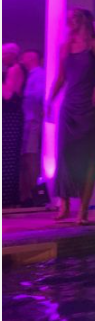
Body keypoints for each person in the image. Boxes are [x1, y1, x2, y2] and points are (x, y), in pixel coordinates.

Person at [48, 8, 95, 224]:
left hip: (91, 107)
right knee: (65, 157)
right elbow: (61, 77)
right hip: (69, 108)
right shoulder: (66, 47)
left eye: (75, 16)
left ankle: (83, 211)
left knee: (89, 158)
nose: (71, 20)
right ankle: (65, 205)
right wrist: (50, 100)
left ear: (86, 19)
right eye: (69, 18)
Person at [19, 50, 45, 205]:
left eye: (24, 56)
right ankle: (26, 195)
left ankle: (35, 196)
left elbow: (39, 97)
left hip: (32, 123)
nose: (21, 59)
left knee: (31, 158)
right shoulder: (30, 75)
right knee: (26, 159)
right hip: (28, 123)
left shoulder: (39, 75)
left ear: (30, 57)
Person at [2, 43, 25, 207]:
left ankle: (6, 197)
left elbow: (8, 95)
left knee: (7, 157)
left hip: (10, 117)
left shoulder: (14, 69)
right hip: (10, 116)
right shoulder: (13, 69)